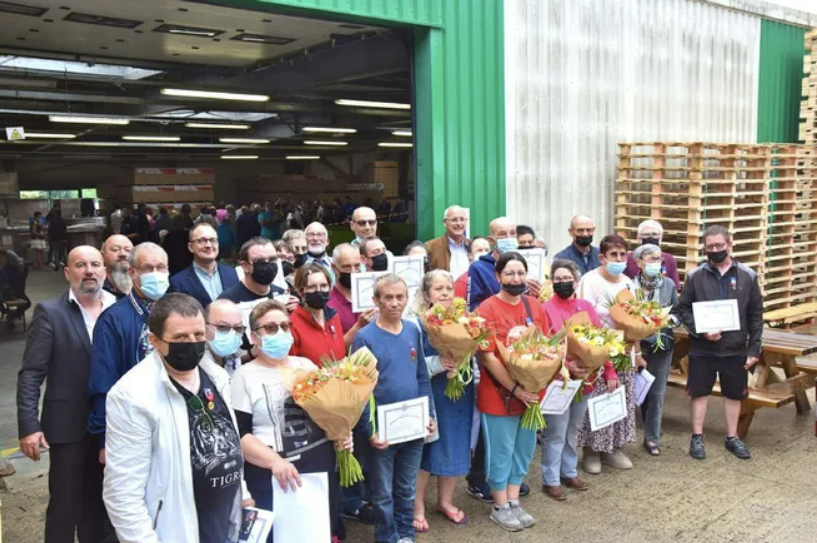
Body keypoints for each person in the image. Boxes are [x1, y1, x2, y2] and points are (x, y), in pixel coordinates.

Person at [103, 294, 252, 543]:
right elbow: (122, 492)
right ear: (155, 341)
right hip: (176, 529)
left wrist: (242, 493)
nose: (192, 343)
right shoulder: (132, 395)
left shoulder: (217, 377)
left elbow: (227, 441)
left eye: (197, 335)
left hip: (224, 524)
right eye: (180, 338)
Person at [17, 246, 116, 543]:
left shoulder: (119, 307)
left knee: (101, 505)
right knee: (64, 505)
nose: (89, 270)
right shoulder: (51, 312)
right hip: (67, 427)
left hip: (113, 427)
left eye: (95, 264)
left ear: (105, 272)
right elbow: (32, 372)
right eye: (80, 264)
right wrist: (29, 426)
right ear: (67, 273)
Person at [232, 300, 350, 542]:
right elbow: (239, 435)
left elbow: (329, 413)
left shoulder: (305, 365)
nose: (281, 333)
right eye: (271, 328)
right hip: (274, 477)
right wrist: (275, 461)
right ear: (254, 337)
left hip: (319, 469)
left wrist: (342, 433)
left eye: (285, 326)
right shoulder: (244, 375)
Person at [352, 274, 436, 543]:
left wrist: (430, 414)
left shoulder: (412, 329)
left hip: (413, 426)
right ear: (375, 300)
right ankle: (387, 536)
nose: (394, 303)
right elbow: (359, 390)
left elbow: (421, 376)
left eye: (400, 297)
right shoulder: (364, 338)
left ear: (407, 298)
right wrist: (369, 430)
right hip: (382, 432)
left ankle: (405, 533)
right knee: (382, 493)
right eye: (387, 297)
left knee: (406, 488)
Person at [674, 225, 762, 460]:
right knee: (699, 393)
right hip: (703, 349)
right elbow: (683, 310)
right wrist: (701, 331)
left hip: (735, 349)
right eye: (710, 247)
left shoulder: (748, 275)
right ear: (704, 248)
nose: (714, 250)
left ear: (730, 245)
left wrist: (754, 348)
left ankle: (732, 437)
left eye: (719, 246)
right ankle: (697, 437)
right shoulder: (695, 276)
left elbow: (755, 314)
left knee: (734, 395)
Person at [475, 252, 547, 531]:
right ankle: (499, 505)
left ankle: (514, 501)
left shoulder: (534, 306)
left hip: (531, 394)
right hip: (499, 394)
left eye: (520, 273)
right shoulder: (487, 309)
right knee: (501, 451)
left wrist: (536, 383)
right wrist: (516, 388)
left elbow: (546, 348)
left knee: (524, 449)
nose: (516, 279)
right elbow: (488, 357)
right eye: (509, 274)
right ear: (498, 277)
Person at [539, 259, 614, 500]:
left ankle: (568, 471)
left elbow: (601, 341)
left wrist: (608, 369)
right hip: (558, 380)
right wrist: (566, 364)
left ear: (576, 281)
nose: (562, 282)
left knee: (573, 429)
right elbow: (543, 346)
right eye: (557, 279)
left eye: (566, 278)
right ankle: (550, 479)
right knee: (555, 431)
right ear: (552, 282)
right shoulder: (545, 309)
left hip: (586, 378)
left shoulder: (585, 307)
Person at [88, 243, 169, 457]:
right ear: (132, 273)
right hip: (132, 424)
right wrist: (104, 437)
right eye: (148, 268)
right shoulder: (113, 319)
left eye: (161, 267)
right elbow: (103, 379)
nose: (155, 274)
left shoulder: (179, 310)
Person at [408, 270, 472, 532]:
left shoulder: (464, 320)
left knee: (455, 445)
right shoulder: (418, 324)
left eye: (448, 288)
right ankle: (417, 506)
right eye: (438, 289)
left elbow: (472, 349)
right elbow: (410, 364)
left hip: (459, 393)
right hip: (432, 391)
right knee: (427, 449)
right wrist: (437, 363)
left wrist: (463, 360)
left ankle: (446, 501)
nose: (445, 293)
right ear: (426, 294)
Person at [577, 234, 641, 474]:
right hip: (598, 350)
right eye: (614, 255)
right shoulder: (590, 281)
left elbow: (634, 316)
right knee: (598, 399)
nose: (619, 259)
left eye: (623, 254)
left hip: (623, 350)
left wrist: (635, 344)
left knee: (620, 398)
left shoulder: (627, 282)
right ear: (602, 257)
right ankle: (592, 451)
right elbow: (584, 317)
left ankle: (614, 447)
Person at [632, 244, 678, 456]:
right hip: (637, 345)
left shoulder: (668, 284)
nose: (656, 263)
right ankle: (624, 436)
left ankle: (652, 437)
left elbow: (678, 311)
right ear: (639, 262)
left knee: (657, 392)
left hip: (662, 344)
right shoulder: (630, 286)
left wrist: (671, 320)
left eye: (658, 259)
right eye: (651, 259)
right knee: (633, 390)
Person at [168, 223, 239, 308]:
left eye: (213, 240)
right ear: (190, 247)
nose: (208, 245)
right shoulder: (178, 282)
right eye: (201, 240)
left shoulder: (233, 273)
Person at [289, 264, 345, 366]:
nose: (319, 291)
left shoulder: (333, 316)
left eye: (323, 286)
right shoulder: (292, 325)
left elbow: (341, 355)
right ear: (300, 292)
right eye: (312, 287)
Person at [327, 243, 376, 347]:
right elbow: (333, 350)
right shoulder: (327, 304)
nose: (353, 271)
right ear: (334, 268)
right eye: (346, 267)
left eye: (357, 266)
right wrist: (359, 326)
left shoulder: (371, 295)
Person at [624, 219, 681, 289]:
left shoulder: (669, 260)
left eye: (654, 234)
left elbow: (675, 289)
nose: (650, 238)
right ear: (638, 238)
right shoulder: (627, 259)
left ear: (661, 237)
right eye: (646, 234)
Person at [424, 205, 470, 278]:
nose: (459, 223)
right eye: (454, 220)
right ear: (444, 222)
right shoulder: (430, 247)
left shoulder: (472, 246)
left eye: (462, 219)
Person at [204, 299, 245, 376]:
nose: (231, 334)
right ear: (204, 327)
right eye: (222, 327)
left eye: (238, 328)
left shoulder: (234, 356)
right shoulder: (197, 364)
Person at [101, 234, 133, 299]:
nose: (123, 254)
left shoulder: (142, 285)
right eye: (115, 249)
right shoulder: (98, 287)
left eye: (127, 250)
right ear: (102, 255)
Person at [48, 207, 68, 272]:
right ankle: (65, 264)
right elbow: (65, 228)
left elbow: (50, 230)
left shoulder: (53, 221)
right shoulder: (63, 220)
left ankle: (57, 265)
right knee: (63, 252)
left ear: (55, 213)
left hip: (55, 238)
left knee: (56, 252)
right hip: (63, 238)